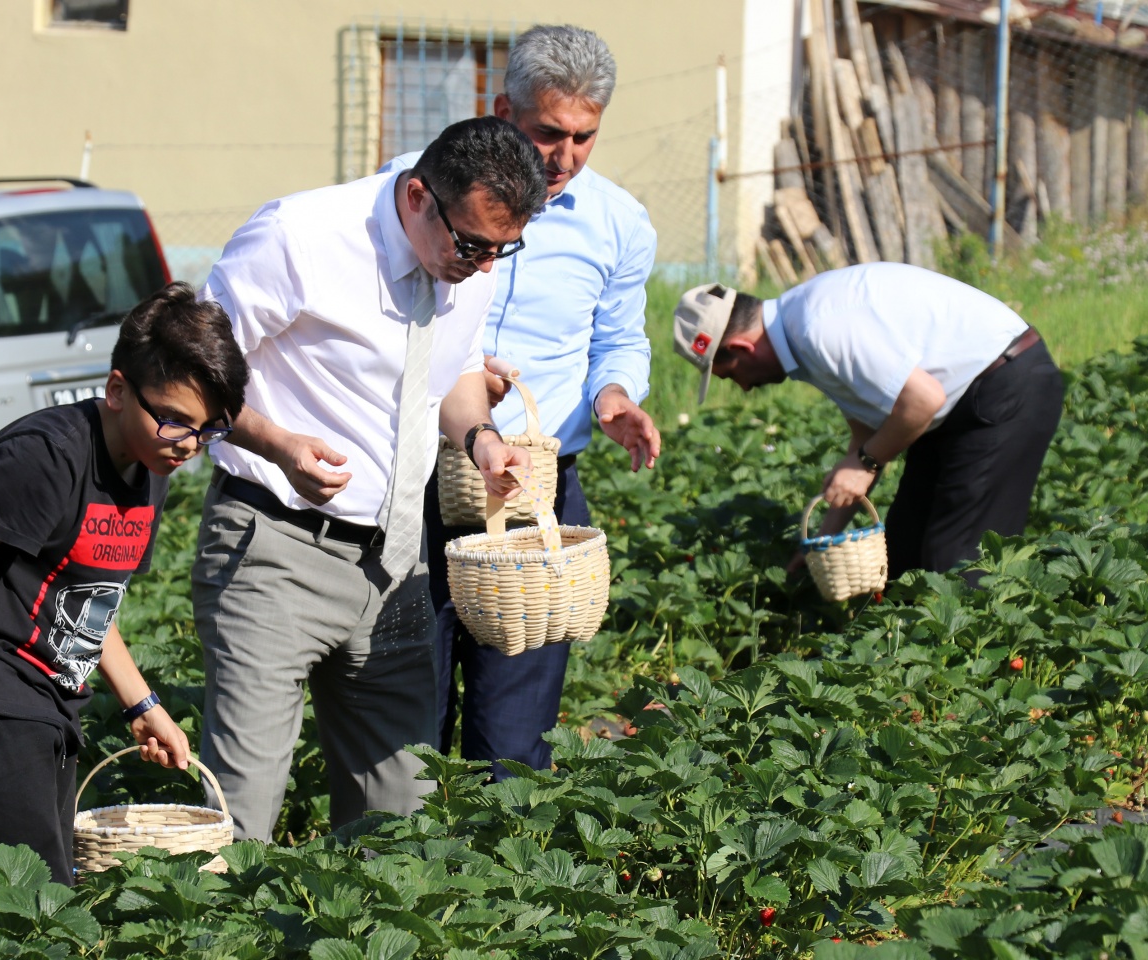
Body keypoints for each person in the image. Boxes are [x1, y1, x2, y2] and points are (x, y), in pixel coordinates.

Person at [193, 116, 548, 840]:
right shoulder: (300, 237)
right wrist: (279, 443)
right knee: (240, 814)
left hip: (395, 561)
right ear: (418, 195)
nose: (484, 267)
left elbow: (448, 374)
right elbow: (187, 371)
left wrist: (480, 439)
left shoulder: (468, 270)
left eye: (502, 250)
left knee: (402, 818)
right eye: (473, 244)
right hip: (274, 546)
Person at [0, 281, 248, 911]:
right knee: (30, 910)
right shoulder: (45, 459)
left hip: (51, 701)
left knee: (40, 899)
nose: (187, 442)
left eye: (207, 429)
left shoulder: (149, 464)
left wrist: (142, 703)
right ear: (118, 389)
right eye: (175, 419)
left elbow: (91, 598)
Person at [380, 24, 661, 781]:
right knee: (408, 709)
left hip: (536, 488)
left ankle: (496, 879)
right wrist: (455, 377)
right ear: (503, 107)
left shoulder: (618, 223)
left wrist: (613, 397)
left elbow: (620, 339)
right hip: (419, 483)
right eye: (546, 132)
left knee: (515, 726)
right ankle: (403, 871)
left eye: (584, 137)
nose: (563, 157)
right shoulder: (420, 189)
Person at [673, 262, 1063, 579]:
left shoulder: (817, 328)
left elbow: (922, 401)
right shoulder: (800, 331)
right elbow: (867, 438)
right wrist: (822, 542)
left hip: (1002, 388)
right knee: (905, 549)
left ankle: (983, 670)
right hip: (962, 401)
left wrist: (867, 463)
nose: (743, 387)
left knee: (958, 559)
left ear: (741, 348)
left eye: (730, 376)